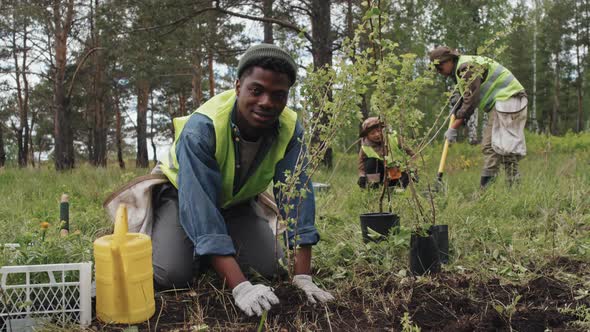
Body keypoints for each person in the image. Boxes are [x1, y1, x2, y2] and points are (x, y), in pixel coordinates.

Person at [151, 43, 334, 317]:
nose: (266, 103)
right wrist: (241, 287)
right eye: (256, 90)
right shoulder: (202, 129)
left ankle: (213, 250)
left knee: (270, 268)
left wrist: (303, 277)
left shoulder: (289, 129)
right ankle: (203, 247)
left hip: (236, 202)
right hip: (182, 197)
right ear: (238, 86)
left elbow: (298, 197)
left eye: (278, 95)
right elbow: (199, 205)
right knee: (172, 275)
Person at [429, 46, 528, 188]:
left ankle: (485, 192)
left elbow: (471, 102)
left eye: (440, 67)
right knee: (506, 148)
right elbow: (467, 98)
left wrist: (454, 127)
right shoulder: (461, 70)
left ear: (449, 60)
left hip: (508, 100)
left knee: (490, 146)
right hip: (510, 101)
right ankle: (514, 188)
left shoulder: (466, 67)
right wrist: (459, 100)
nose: (439, 72)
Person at [357, 117, 416, 189]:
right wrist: (362, 177)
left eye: (379, 131)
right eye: (372, 133)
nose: (377, 134)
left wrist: (412, 168)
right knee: (371, 162)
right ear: (367, 136)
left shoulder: (394, 138)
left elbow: (413, 155)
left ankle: (400, 188)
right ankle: (374, 188)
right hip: (381, 176)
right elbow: (361, 166)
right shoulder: (365, 147)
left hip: (399, 172)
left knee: (404, 181)